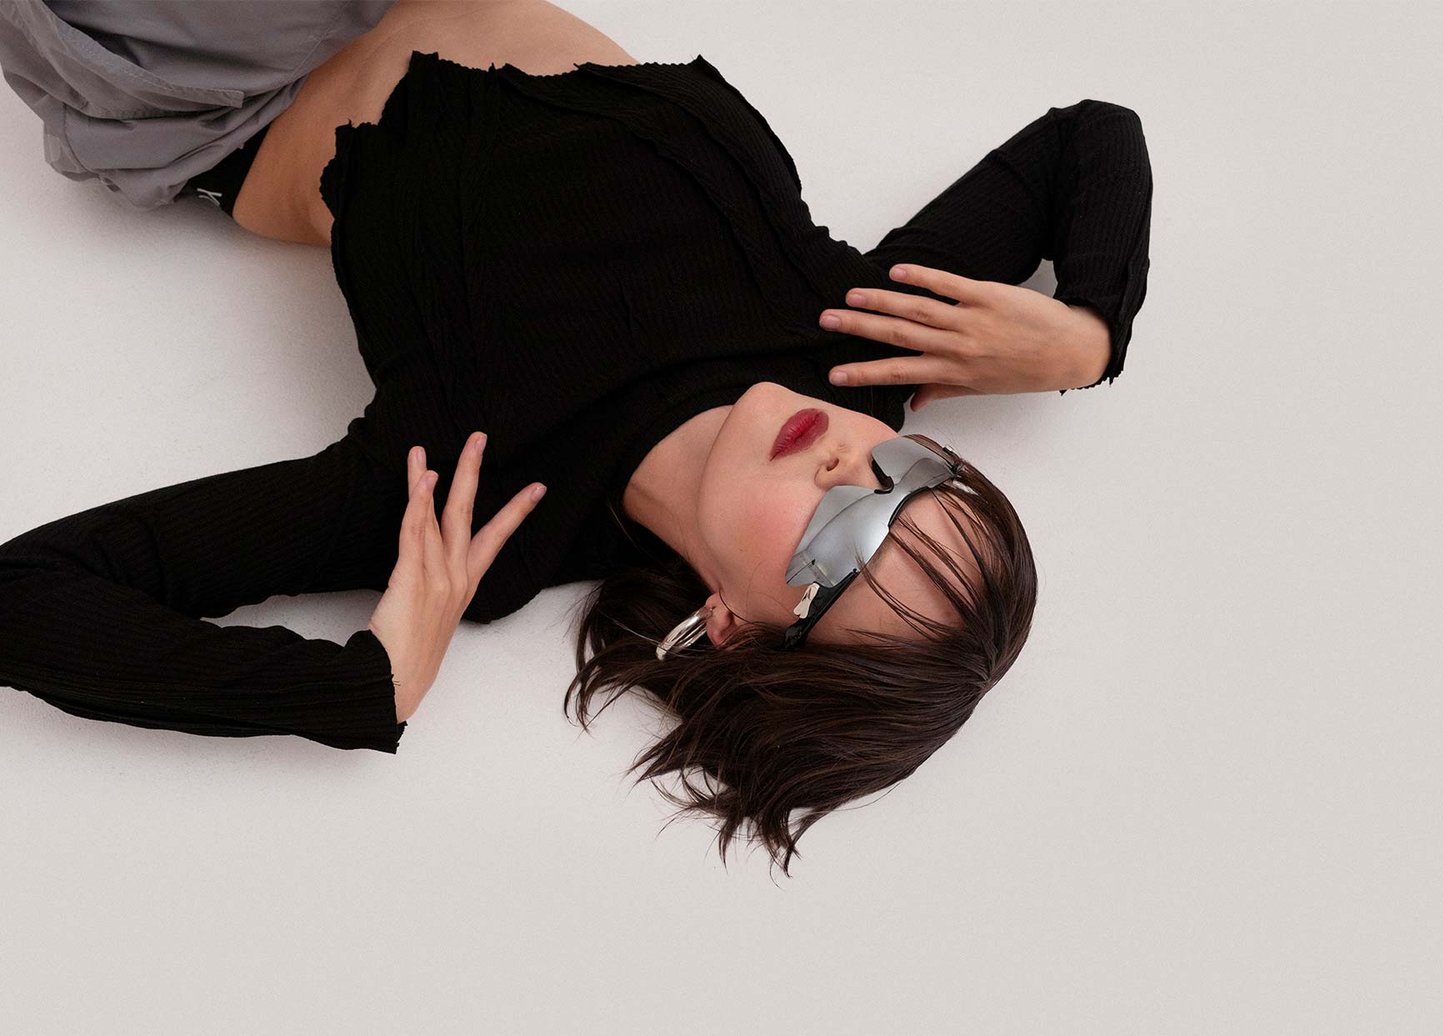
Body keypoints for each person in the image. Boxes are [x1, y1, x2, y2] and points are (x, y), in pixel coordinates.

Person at [0, 1, 1153, 873]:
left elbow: (32, 591)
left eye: (841, 540)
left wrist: (352, 689)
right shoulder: (858, 352)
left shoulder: (479, 507)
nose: (850, 462)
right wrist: (1086, 333)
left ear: (732, 624)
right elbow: (1088, 141)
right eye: (911, 474)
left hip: (228, 71)